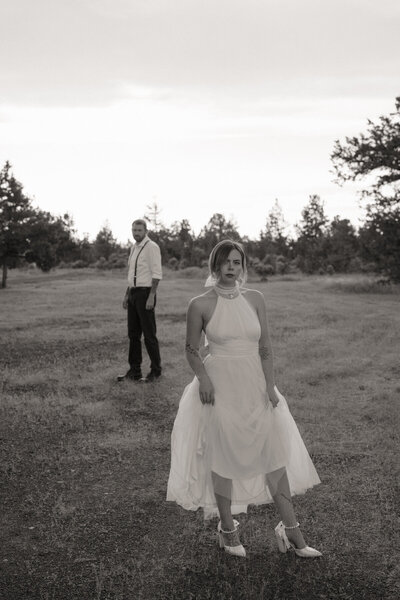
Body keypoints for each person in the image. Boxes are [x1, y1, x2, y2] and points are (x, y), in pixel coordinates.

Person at [167, 239, 322, 558]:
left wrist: (270, 386)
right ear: (214, 266)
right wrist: (204, 379)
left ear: (243, 266)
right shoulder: (200, 303)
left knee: (273, 455)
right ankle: (227, 530)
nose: (231, 267)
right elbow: (190, 349)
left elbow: (265, 346)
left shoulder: (256, 298)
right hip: (219, 387)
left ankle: (292, 531)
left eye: (237, 262)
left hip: (255, 385)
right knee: (222, 456)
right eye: (225, 262)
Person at [117, 219, 162, 383]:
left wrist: (151, 296)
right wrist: (127, 294)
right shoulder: (133, 248)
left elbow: (156, 274)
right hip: (134, 294)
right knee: (133, 334)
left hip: (145, 293)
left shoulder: (152, 247)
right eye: (134, 230)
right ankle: (134, 371)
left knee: (149, 335)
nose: (136, 233)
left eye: (139, 230)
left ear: (145, 231)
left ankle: (155, 371)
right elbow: (132, 275)